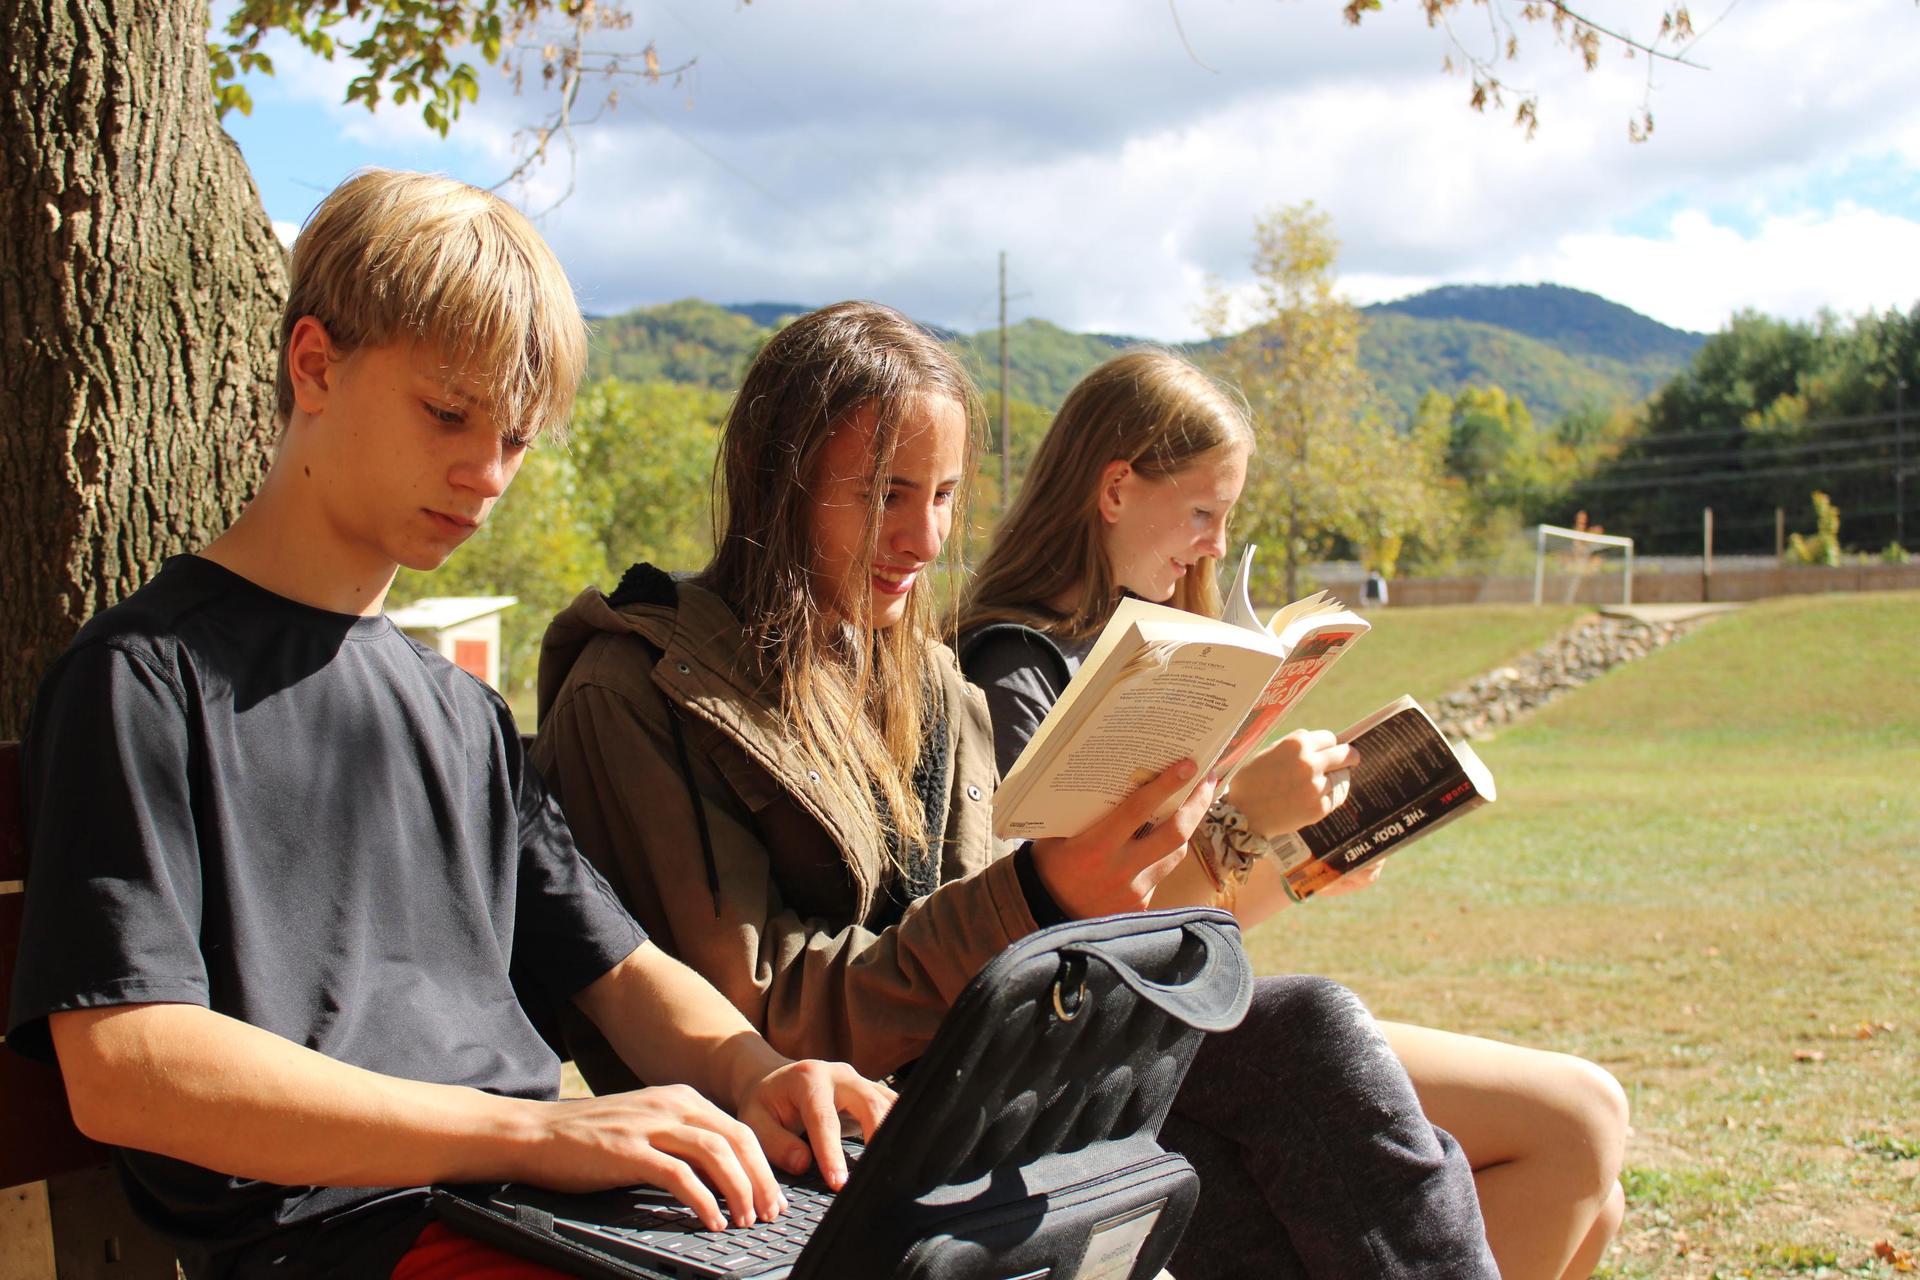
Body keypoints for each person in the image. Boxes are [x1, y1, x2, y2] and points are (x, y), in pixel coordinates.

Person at [5, 171, 892, 1280]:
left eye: (517, 440)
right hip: (346, 1235)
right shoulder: (144, 679)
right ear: (316, 364)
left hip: (529, 1215)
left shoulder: (460, 712)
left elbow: (617, 967)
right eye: (447, 414)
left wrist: (759, 1072)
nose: (485, 475)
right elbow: (128, 1062)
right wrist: (532, 1131)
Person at [533, 300, 1500, 1279]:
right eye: (885, 494)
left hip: (996, 1097)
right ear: (777, 483)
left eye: (945, 494)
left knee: (1323, 1102)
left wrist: (1167, 872)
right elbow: (763, 1017)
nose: (923, 535)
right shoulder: (644, 691)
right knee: (1308, 1046)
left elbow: (1019, 957)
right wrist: (1042, 895)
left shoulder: (930, 686)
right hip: (833, 1150)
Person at [955, 348, 1629, 1280]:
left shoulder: (1159, 648)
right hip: (1109, 1049)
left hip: (1189, 1010)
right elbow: (1075, 949)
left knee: (1589, 1154)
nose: (1216, 545)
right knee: (1571, 1127)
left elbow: (1197, 924)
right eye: (1202, 512)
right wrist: (1239, 828)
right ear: (1114, 490)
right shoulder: (1015, 672)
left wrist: (1301, 858)